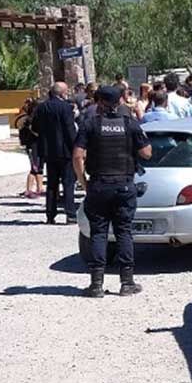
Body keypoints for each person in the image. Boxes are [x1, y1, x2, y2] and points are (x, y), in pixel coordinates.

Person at [74, 86, 152, 297]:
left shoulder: (90, 124)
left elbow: (78, 156)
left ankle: (96, 284)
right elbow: (146, 153)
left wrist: (84, 183)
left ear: (99, 102)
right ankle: (127, 283)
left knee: (99, 233)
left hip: (99, 185)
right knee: (124, 232)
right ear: (119, 102)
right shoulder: (130, 124)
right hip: (124, 186)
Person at [31, 82, 79, 224]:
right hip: (65, 151)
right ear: (62, 93)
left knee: (52, 184)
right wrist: (76, 147)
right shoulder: (66, 108)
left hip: (48, 151)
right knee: (68, 183)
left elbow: (34, 127)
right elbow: (70, 130)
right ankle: (70, 214)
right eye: (66, 91)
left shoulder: (41, 107)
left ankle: (50, 215)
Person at [14, 97, 44, 198]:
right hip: (33, 145)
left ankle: (39, 188)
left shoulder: (34, 117)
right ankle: (30, 189)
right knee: (34, 168)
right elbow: (35, 132)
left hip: (37, 145)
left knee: (39, 167)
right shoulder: (31, 119)